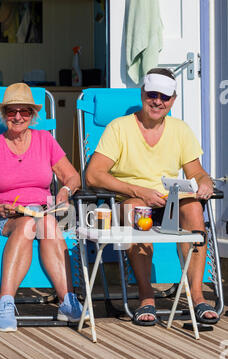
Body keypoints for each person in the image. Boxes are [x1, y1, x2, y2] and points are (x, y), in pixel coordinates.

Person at [85, 68, 219, 326]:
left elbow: (196, 171)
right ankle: (146, 296)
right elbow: (93, 175)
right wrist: (138, 191)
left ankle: (198, 295)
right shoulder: (119, 128)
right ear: (143, 93)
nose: (158, 101)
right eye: (152, 94)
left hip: (170, 200)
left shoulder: (180, 130)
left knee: (193, 208)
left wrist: (204, 183)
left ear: (173, 100)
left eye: (164, 97)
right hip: (131, 199)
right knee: (137, 210)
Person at [0, 82, 87, 332]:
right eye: (12, 111)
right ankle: (4, 302)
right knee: (25, 225)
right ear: (4, 115)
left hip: (41, 211)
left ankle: (67, 300)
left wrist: (65, 192)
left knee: (45, 222)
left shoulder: (45, 140)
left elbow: (73, 177)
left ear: (32, 115)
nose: (18, 117)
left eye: (24, 111)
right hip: (1, 215)